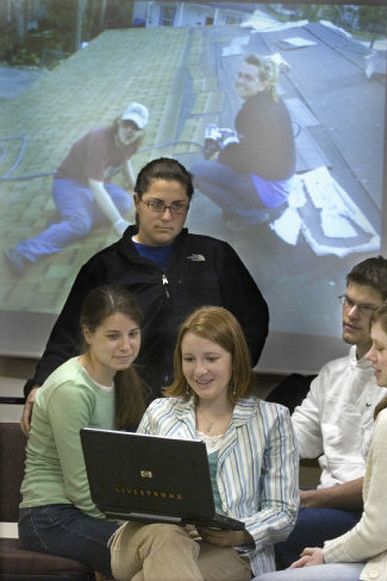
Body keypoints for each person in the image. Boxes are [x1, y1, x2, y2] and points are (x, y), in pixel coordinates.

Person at [21, 157, 269, 434]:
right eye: (156, 204)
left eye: (178, 207)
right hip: (129, 413)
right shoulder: (104, 267)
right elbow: (69, 336)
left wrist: (228, 376)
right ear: (137, 201)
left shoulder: (215, 256)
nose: (166, 216)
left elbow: (253, 321)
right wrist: (40, 384)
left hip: (206, 411)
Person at [109, 305, 299, 581]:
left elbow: (283, 510)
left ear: (235, 359)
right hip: (143, 538)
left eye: (211, 358)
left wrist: (241, 532)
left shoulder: (272, 420)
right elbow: (133, 489)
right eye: (189, 359)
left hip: (229, 551)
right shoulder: (159, 412)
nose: (199, 371)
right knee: (167, 534)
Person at [253, 291, 387, 581]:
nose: (371, 355)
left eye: (380, 348)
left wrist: (327, 553)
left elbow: (378, 530)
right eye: (347, 300)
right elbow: (297, 438)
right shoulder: (333, 376)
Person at [18, 285, 148, 578]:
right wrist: (126, 523)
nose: (126, 346)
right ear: (88, 334)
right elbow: (79, 487)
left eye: (133, 333)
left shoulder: (120, 378)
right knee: (147, 551)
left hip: (84, 511)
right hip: (49, 517)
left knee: (165, 542)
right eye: (113, 336)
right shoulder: (72, 388)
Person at [4, 101, 149, 276]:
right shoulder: (99, 141)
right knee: (81, 225)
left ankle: (67, 220)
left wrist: (134, 186)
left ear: (141, 132)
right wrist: (118, 222)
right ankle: (22, 253)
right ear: (119, 122)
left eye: (136, 128)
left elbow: (126, 160)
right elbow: (96, 187)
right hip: (69, 183)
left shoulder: (129, 142)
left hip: (95, 184)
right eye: (127, 124)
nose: (130, 130)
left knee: (123, 202)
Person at [191, 53, 296, 231]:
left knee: (196, 173)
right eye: (239, 74)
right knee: (221, 164)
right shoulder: (272, 99)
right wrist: (232, 145)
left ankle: (251, 215)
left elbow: (246, 162)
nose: (240, 81)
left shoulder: (251, 113)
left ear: (263, 84)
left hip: (271, 189)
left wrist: (220, 154)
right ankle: (244, 205)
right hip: (282, 181)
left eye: (248, 77)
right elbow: (257, 148)